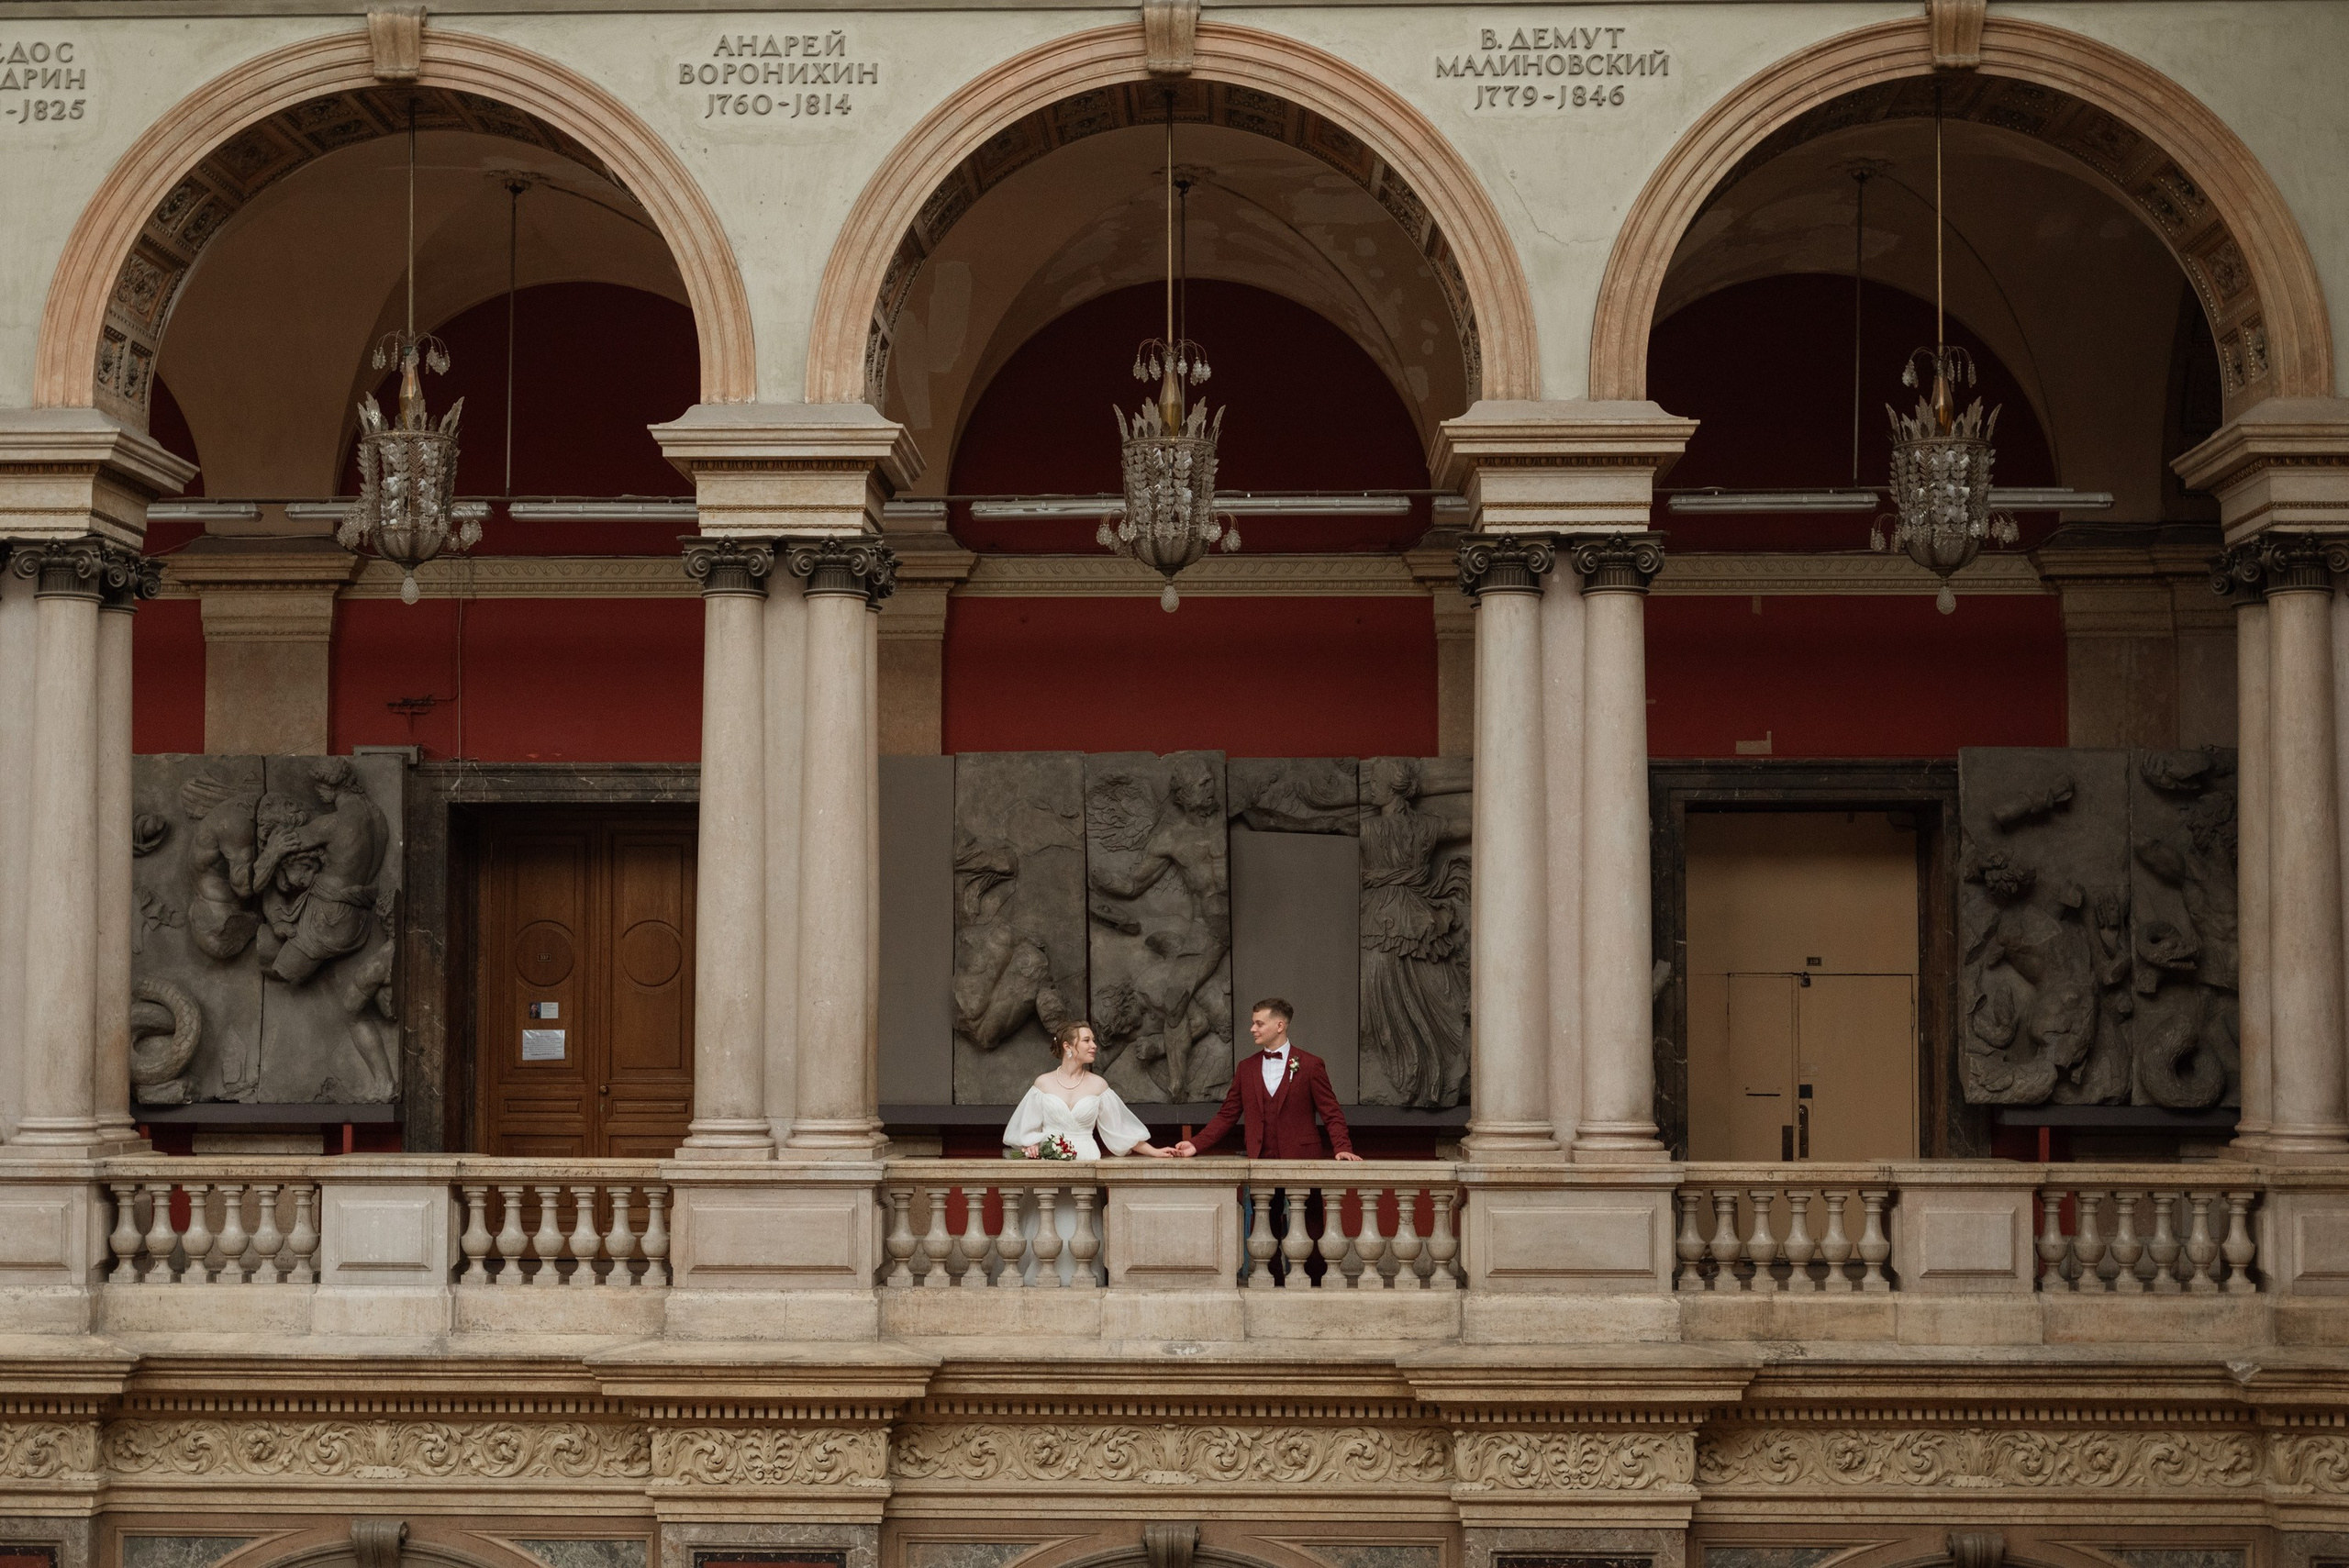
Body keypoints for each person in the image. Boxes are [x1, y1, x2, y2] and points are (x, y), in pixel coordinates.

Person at [1174, 998, 1363, 1162]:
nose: (1252, 1029)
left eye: (1259, 1024)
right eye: (1253, 1023)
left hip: (1303, 1161)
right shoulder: (1246, 1068)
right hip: (1259, 1161)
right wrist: (1196, 1144)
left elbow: (1331, 1112)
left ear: (1279, 1026)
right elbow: (1227, 1115)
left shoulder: (1310, 1065)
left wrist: (1343, 1148)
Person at [1003, 1021, 1174, 1160]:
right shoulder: (1043, 1084)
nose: (1094, 1046)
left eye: (1093, 1040)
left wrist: (1154, 1151)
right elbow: (1027, 1130)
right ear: (1068, 1046)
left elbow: (1121, 1130)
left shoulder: (1099, 1085)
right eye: (1086, 1041)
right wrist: (1032, 1145)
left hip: (1087, 1158)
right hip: (1049, 1161)